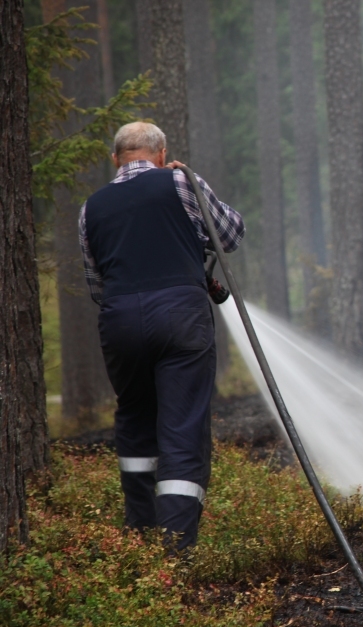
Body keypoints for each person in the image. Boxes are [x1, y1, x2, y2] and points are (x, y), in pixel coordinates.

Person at [79, 121, 245, 552]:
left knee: (135, 421)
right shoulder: (179, 180)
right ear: (161, 152)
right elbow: (230, 235)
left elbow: (96, 285)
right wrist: (189, 179)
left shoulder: (91, 207)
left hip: (120, 322)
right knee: (182, 428)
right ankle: (173, 554)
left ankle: (140, 539)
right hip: (181, 319)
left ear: (115, 159)